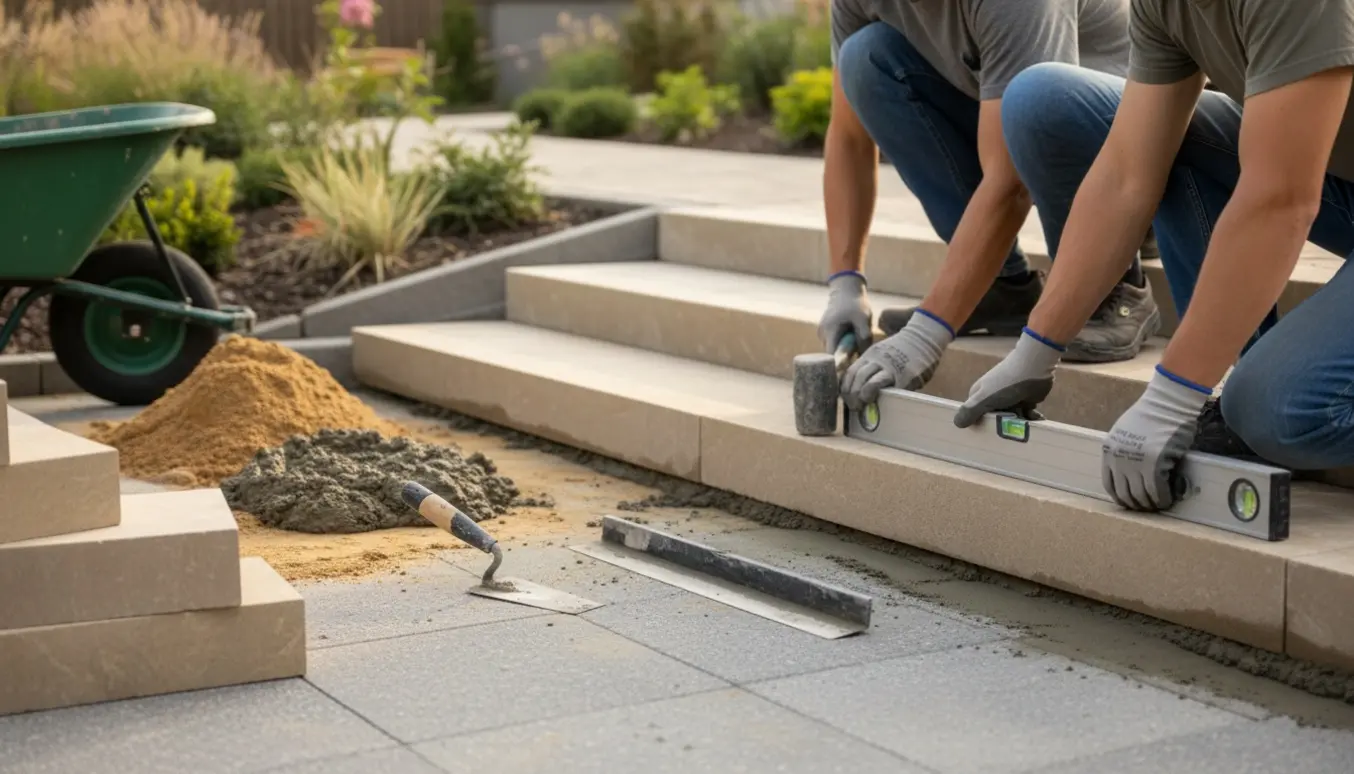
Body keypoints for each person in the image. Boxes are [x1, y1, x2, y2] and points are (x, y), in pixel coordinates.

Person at [953, 0, 1354, 511]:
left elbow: (1279, 200)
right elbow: (1127, 174)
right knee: (1158, 132)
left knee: (1280, 411)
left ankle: (1243, 397)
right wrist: (1036, 349)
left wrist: (1173, 393)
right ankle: (1234, 376)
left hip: (1305, 185)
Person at [822, 0, 1162, 413]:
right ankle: (1000, 285)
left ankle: (1115, 289)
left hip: (1139, 158)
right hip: (1024, 112)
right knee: (864, 58)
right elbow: (849, 137)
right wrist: (845, 283)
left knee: (1039, 98)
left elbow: (1010, 184)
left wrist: (926, 334)